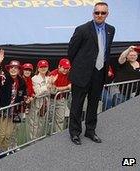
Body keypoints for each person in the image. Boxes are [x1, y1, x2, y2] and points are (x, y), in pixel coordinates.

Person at [67, 2, 115, 145]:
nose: (99, 15)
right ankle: (75, 133)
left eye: (103, 13)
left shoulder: (111, 30)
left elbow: (106, 50)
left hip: (99, 74)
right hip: (82, 74)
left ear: (107, 14)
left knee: (94, 104)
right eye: (97, 12)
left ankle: (90, 131)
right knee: (77, 104)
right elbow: (71, 51)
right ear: (93, 13)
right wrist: (81, 67)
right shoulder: (82, 29)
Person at [0, 49, 27, 155]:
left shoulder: (22, 81)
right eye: (11, 67)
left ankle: (2, 152)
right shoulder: (4, 78)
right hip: (2, 110)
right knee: (1, 134)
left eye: (15, 68)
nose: (13, 69)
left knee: (8, 135)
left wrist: (26, 99)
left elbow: (23, 95)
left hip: (13, 112)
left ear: (19, 70)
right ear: (9, 69)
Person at [28, 60, 51, 139]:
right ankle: (32, 144)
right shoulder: (34, 79)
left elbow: (52, 91)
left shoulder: (49, 78)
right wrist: (47, 87)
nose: (43, 68)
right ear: (38, 68)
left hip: (45, 104)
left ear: (48, 68)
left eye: (45, 67)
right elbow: (37, 93)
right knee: (34, 125)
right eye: (41, 67)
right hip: (36, 104)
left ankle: (38, 143)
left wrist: (49, 87)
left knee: (41, 124)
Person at [49, 58, 71, 133]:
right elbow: (53, 90)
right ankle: (48, 138)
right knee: (49, 119)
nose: (66, 70)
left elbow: (72, 86)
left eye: (67, 68)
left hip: (62, 99)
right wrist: (66, 87)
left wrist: (60, 89)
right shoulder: (53, 74)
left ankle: (58, 137)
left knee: (60, 120)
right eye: (64, 68)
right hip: (51, 100)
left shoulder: (69, 74)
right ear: (59, 66)